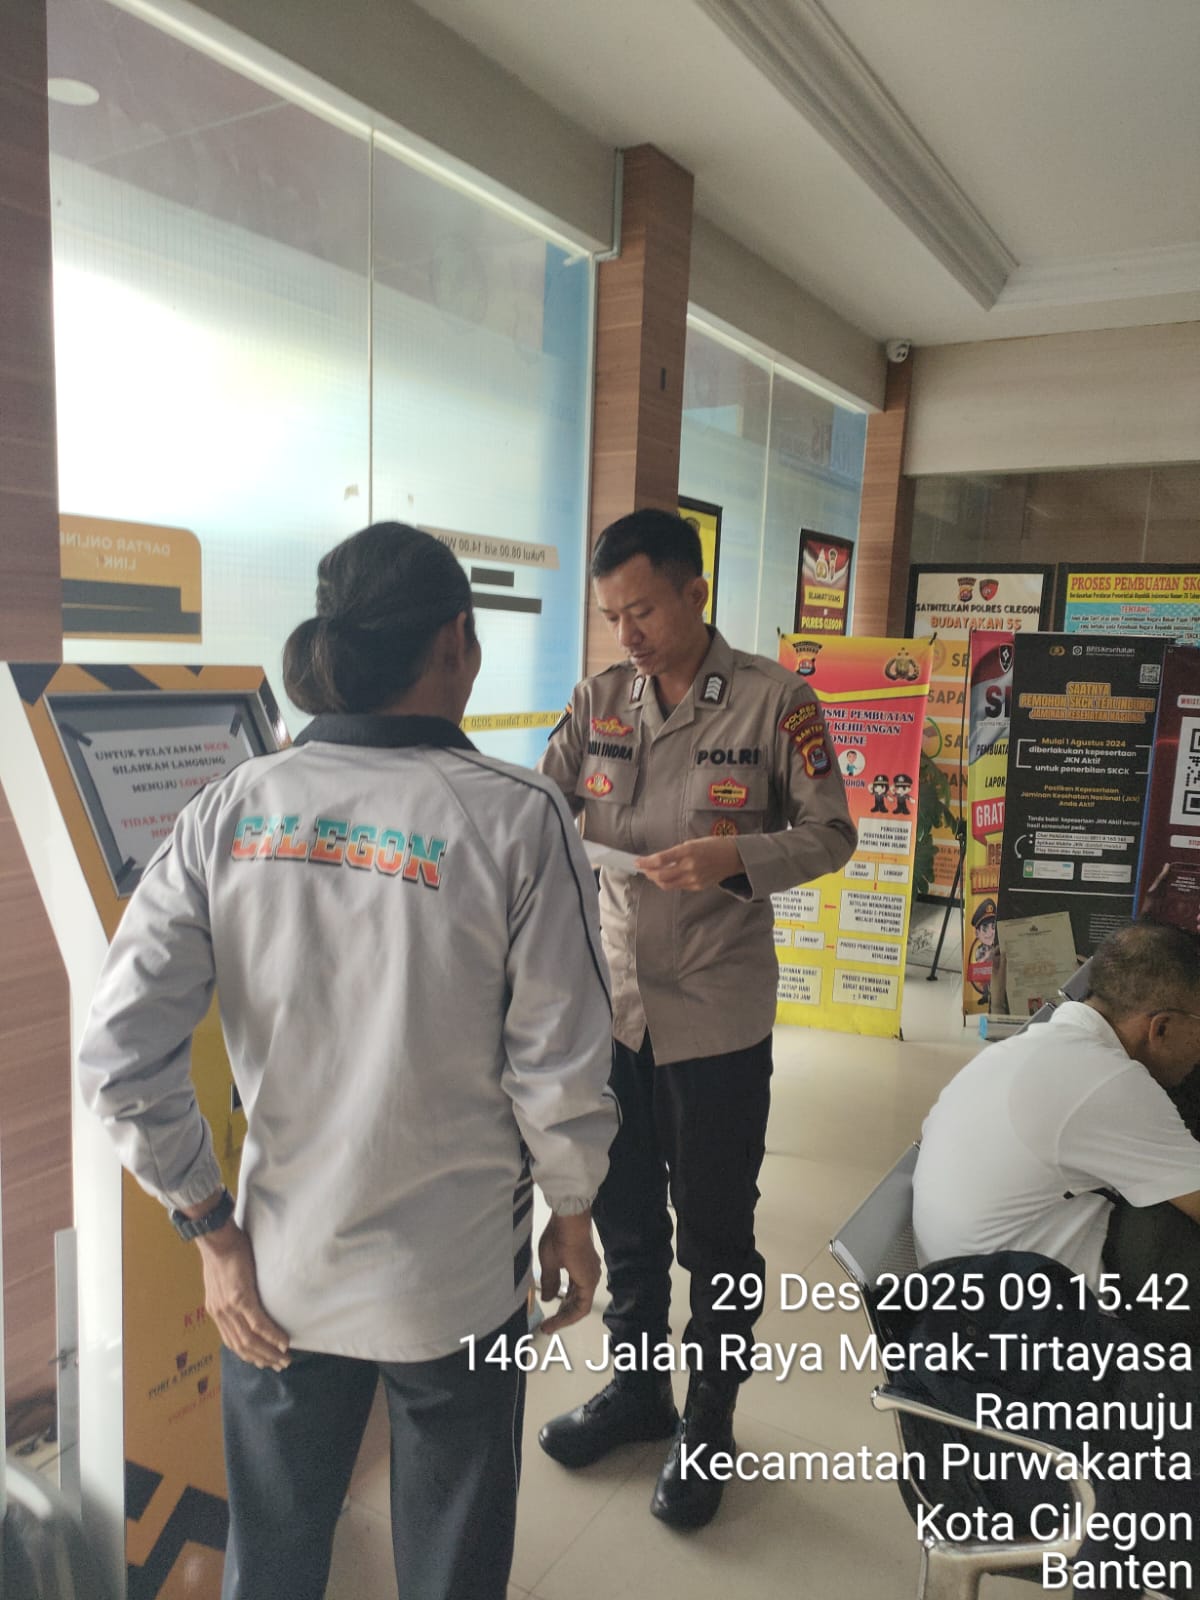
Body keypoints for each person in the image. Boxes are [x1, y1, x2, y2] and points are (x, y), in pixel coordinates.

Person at [76, 522, 619, 1600]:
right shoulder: (519, 817)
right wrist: (572, 1213)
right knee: (453, 1563)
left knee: (273, 1562)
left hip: (279, 1272)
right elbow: (560, 1065)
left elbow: (119, 1054)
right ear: (456, 640)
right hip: (455, 1283)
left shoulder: (231, 806)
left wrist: (210, 1231)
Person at [535, 508, 855, 1528]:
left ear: (694, 592)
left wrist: (735, 856)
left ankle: (709, 1418)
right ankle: (639, 1390)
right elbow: (540, 807)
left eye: (641, 610)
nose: (625, 632)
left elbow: (833, 832)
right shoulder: (598, 700)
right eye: (610, 616)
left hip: (715, 1014)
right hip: (614, 1010)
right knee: (625, 1215)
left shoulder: (774, 701)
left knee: (715, 1232)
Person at [912, 920, 1200, 1596]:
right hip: (1019, 1381)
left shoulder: (1045, 1043)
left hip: (976, 1325)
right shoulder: (1107, 1084)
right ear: (1159, 1028)